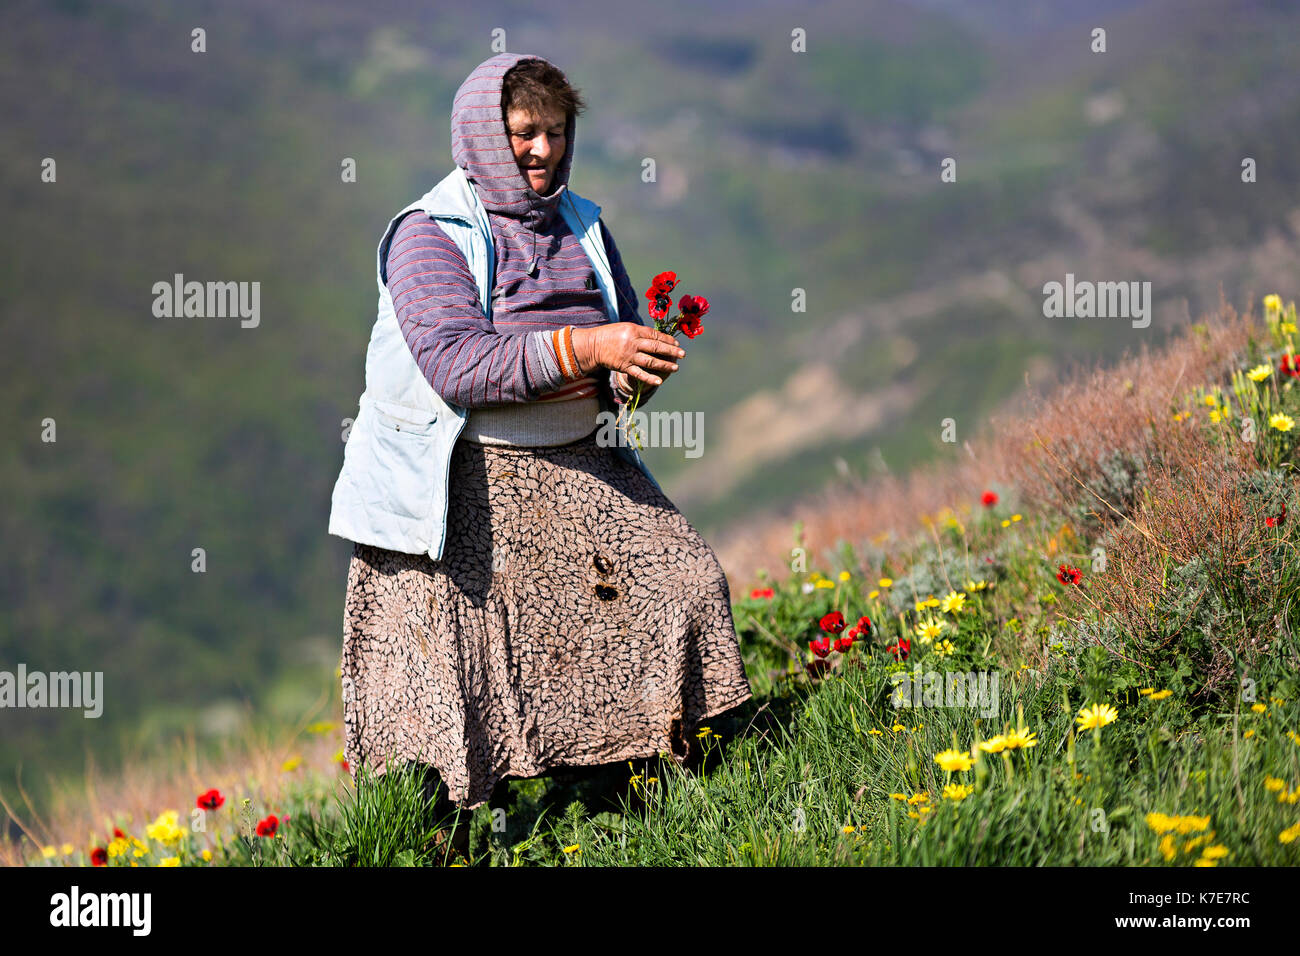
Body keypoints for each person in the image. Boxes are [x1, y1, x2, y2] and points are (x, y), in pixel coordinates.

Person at [328, 52, 752, 859]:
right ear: (484, 137)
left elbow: (616, 323)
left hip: (582, 461)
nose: (544, 151)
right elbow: (459, 363)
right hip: (465, 479)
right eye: (525, 133)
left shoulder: (583, 225)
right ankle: (441, 839)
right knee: (460, 679)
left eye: (557, 133)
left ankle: (646, 785)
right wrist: (591, 344)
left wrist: (630, 369)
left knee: (685, 584)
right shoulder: (428, 237)